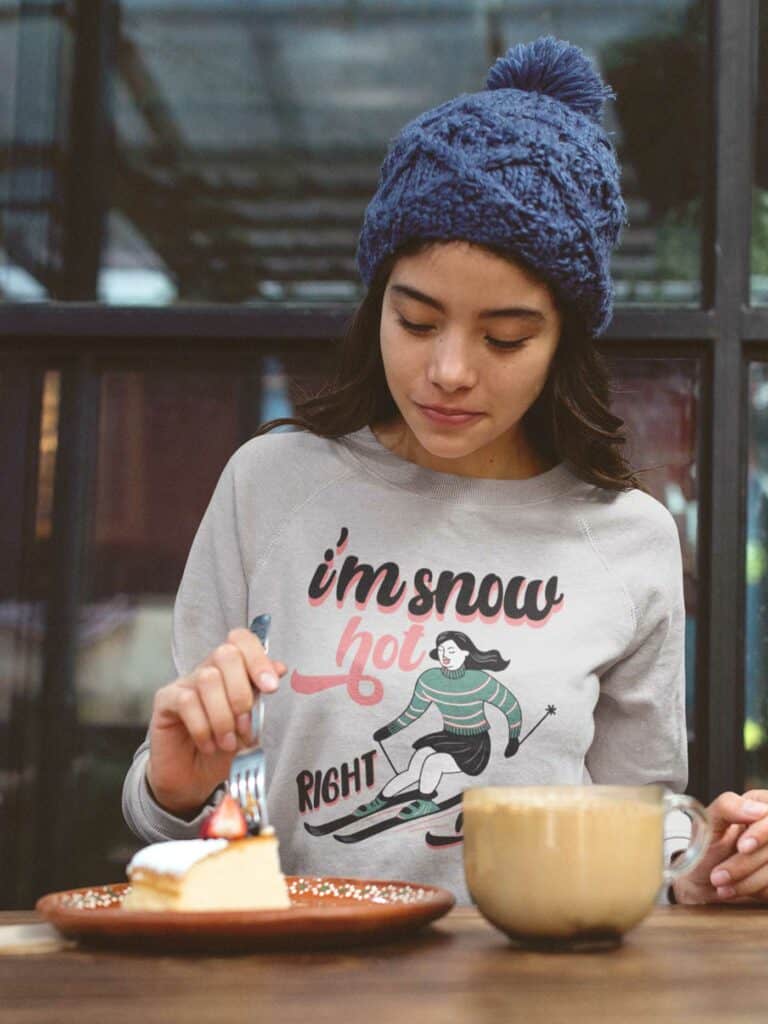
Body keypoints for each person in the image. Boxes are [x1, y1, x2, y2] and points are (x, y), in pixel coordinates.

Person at [123, 36, 768, 905]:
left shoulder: (626, 538)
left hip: (533, 990)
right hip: (294, 982)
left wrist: (718, 861)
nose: (451, 370)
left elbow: (639, 839)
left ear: (564, 342)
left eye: (506, 337)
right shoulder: (269, 485)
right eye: (417, 321)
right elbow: (178, 819)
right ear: (375, 302)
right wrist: (173, 784)